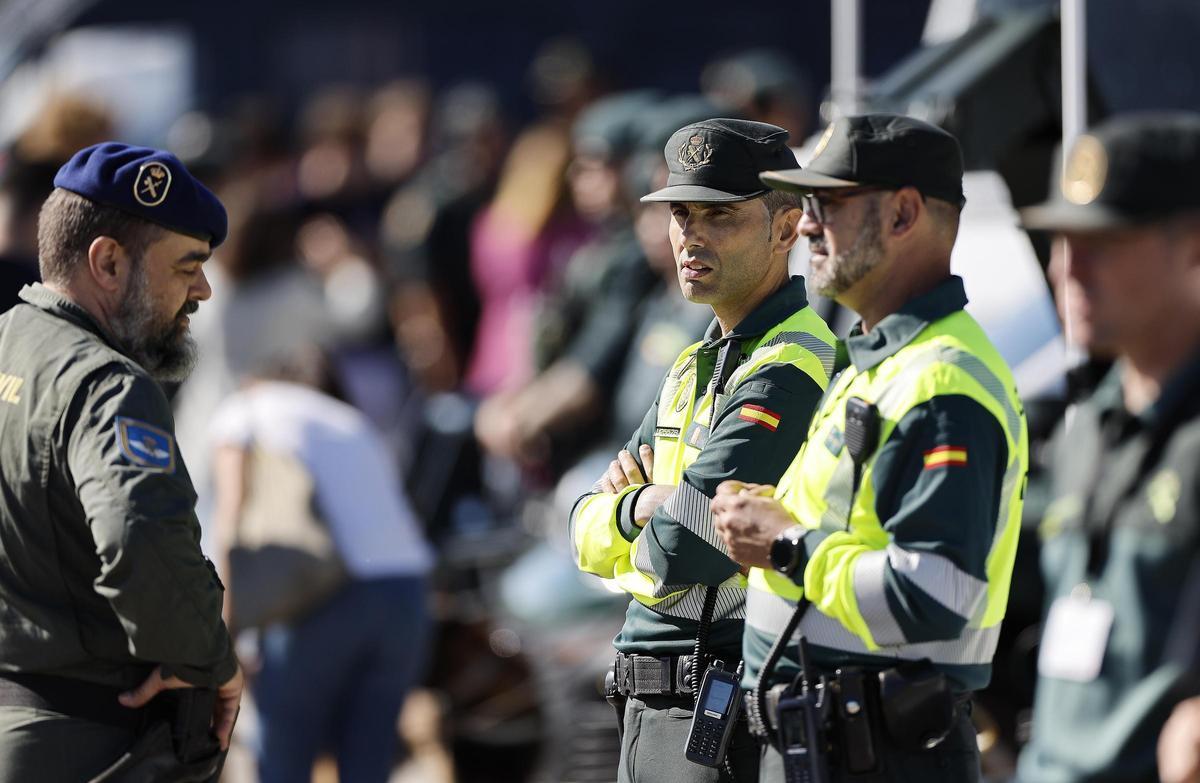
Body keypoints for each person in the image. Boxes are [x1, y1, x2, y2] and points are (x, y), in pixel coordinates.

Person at [711, 114, 1028, 782]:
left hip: (880, 750)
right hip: (835, 741)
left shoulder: (940, 381)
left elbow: (937, 594)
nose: (804, 225)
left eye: (828, 204)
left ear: (904, 214)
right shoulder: (882, 357)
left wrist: (787, 544)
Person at [570, 118, 838, 783]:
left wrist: (632, 521)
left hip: (710, 698)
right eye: (681, 213)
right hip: (660, 697)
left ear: (785, 228)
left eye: (719, 215)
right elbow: (581, 531)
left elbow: (682, 551)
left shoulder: (788, 365)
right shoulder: (696, 362)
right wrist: (642, 507)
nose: (690, 234)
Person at [0, 142, 242, 780]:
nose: (204, 290)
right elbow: (140, 537)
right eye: (187, 266)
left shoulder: (5, 345)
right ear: (107, 262)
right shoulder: (107, 383)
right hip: (84, 744)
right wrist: (209, 660)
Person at [1013, 113, 1200, 783]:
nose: (1069, 267)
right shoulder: (1086, 424)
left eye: (1105, 240)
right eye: (1063, 239)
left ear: (1194, 247)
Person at [210, 347, 434, 783]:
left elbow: (230, 520)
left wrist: (224, 637)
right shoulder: (349, 420)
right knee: (368, 763)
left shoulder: (245, 409)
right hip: (406, 594)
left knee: (283, 761)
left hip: (324, 595)